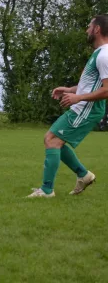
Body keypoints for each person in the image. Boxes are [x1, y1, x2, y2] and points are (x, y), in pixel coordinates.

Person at [28, 15, 108, 198]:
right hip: (83, 106)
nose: (86, 30)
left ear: (97, 29)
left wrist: (78, 97)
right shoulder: (99, 53)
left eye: (89, 26)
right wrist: (70, 89)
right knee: (53, 140)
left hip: (88, 108)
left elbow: (106, 90)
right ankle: (83, 175)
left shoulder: (105, 55)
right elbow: (91, 84)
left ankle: (47, 190)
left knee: (52, 140)